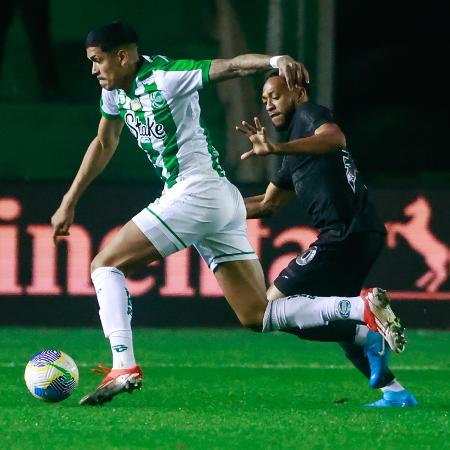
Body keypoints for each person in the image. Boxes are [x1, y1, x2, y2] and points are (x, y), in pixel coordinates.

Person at [50, 22, 404, 406]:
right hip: (219, 200)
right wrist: (70, 199)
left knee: (105, 265)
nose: (93, 70)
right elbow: (104, 140)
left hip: (196, 190)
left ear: (123, 55)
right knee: (258, 315)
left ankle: (124, 365)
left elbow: (232, 66)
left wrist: (274, 59)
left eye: (98, 60)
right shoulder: (116, 96)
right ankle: (356, 308)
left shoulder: (167, 77)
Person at [236, 70, 417, 407]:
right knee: (331, 317)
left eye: (274, 95)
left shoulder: (309, 115)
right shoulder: (295, 151)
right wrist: (214, 208)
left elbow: (335, 138)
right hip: (362, 232)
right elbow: (266, 204)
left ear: (297, 91)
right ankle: (395, 393)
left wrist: (274, 147)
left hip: (344, 234)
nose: (269, 105)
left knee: (270, 307)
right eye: (264, 101)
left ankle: (368, 327)